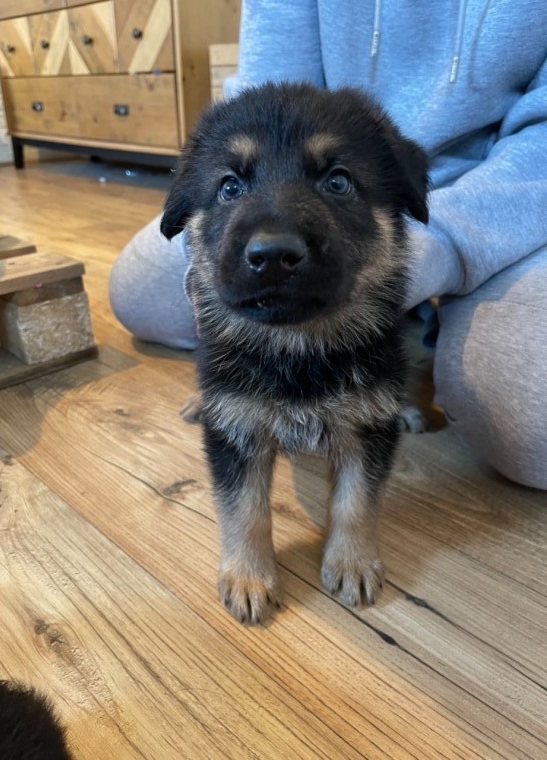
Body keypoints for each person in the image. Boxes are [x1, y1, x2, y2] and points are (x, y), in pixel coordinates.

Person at [109, 0, 547, 490]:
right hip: (323, 163)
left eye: (333, 180)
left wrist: (444, 240)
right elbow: (258, 110)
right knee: (135, 290)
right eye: (231, 187)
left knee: (534, 427)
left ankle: (429, 326)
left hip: (502, 198)